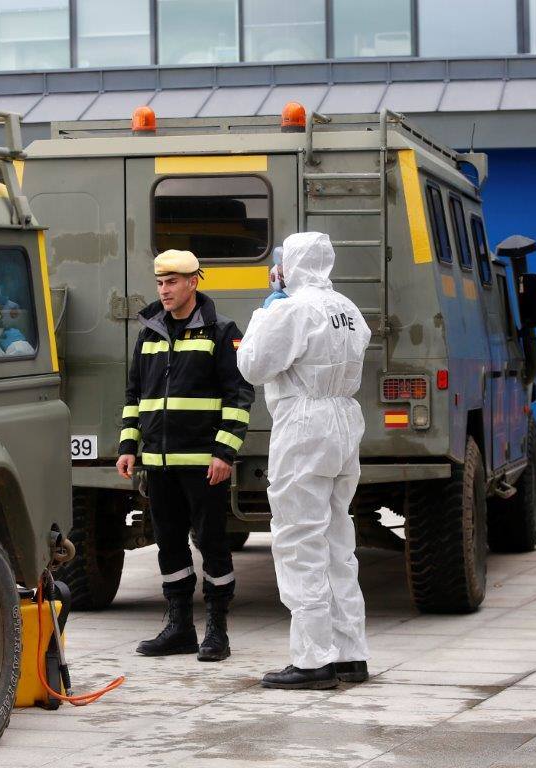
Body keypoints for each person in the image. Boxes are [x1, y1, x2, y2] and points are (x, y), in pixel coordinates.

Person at [236, 232, 372, 690]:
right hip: (343, 421)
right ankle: (350, 652)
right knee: (337, 539)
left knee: (299, 539)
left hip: (305, 423)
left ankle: (313, 659)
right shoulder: (348, 309)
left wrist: (264, 311)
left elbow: (253, 365)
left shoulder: (292, 309)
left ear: (289, 264)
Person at [116, 249, 254, 662]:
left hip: (203, 465)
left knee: (212, 543)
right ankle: (179, 627)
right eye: (160, 283)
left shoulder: (221, 331)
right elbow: (134, 396)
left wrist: (225, 452)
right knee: (169, 544)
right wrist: (127, 447)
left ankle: (217, 629)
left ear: (194, 282)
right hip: (158, 465)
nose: (164, 290)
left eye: (172, 282)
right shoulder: (149, 332)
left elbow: (239, 395)